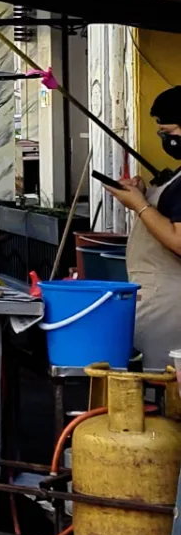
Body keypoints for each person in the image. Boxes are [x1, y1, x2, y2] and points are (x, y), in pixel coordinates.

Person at [99, 86, 181, 362]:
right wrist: (143, 196)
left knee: (163, 390)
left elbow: (179, 241)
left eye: (168, 133)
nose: (163, 139)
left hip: (169, 304)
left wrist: (140, 205)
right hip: (154, 296)